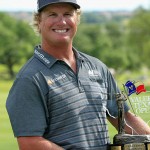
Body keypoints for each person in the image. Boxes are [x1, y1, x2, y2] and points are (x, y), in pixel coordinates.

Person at [6, 0, 150, 150]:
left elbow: (124, 118)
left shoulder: (97, 67)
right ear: (39, 21)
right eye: (52, 14)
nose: (61, 21)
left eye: (68, 14)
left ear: (77, 19)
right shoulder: (29, 78)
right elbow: (30, 144)